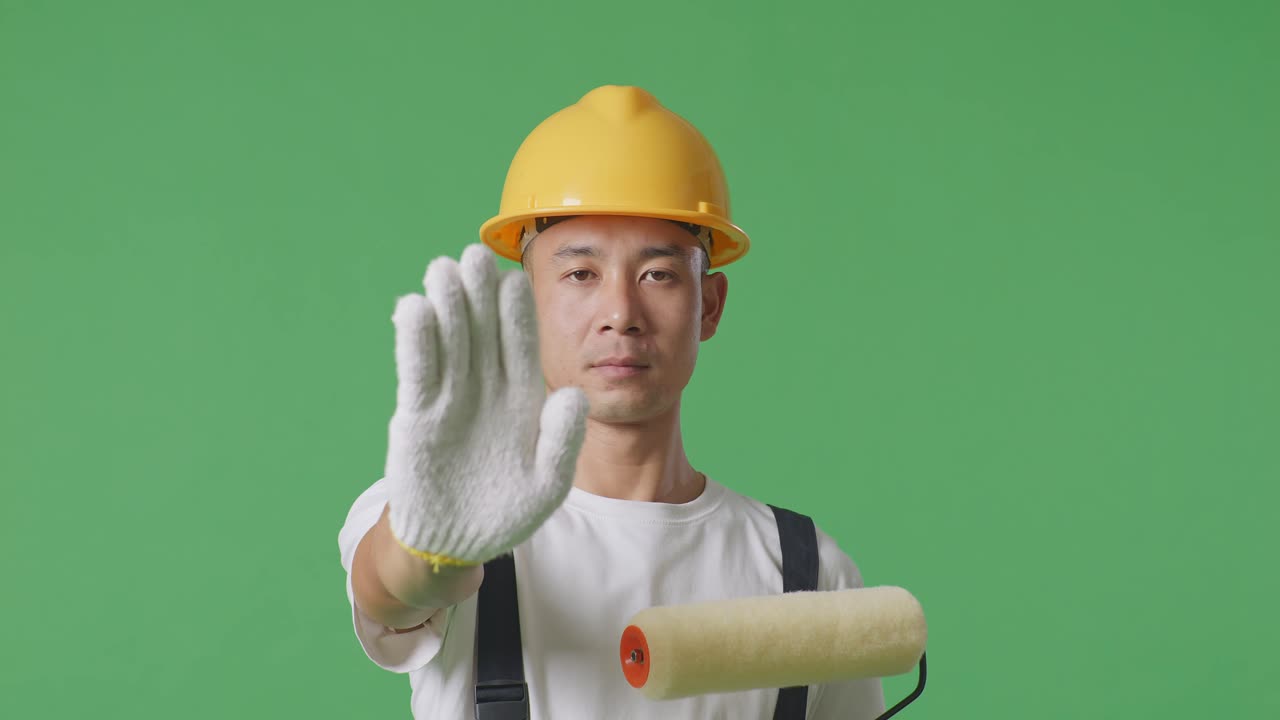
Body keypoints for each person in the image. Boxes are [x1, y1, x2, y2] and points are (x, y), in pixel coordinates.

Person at [337, 85, 887, 719]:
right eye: (581, 274)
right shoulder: (435, 509)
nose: (621, 313)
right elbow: (394, 591)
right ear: (527, 304)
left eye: (659, 274)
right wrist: (432, 550)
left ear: (709, 305)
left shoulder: (810, 573)